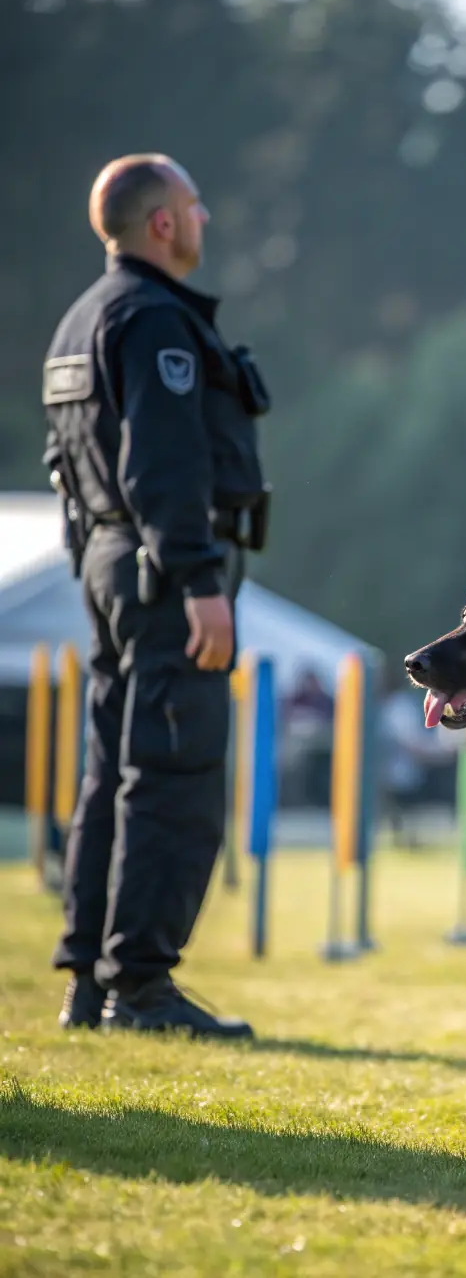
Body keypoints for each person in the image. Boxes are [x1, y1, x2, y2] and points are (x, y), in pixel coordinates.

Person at [41, 153, 272, 1039]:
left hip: (109, 569)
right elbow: (162, 464)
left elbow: (73, 467)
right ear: (162, 225)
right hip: (164, 574)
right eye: (193, 205)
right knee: (172, 775)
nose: (206, 217)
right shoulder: (154, 321)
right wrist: (198, 581)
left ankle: (89, 983)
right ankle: (140, 985)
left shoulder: (81, 319)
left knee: (112, 776)